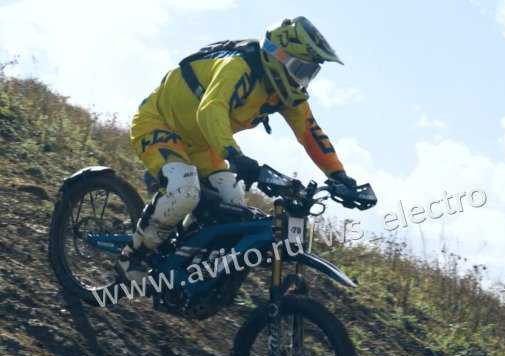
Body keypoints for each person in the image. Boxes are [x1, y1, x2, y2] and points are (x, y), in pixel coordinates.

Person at [117, 16, 358, 282]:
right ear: (278, 55)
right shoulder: (238, 67)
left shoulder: (285, 94)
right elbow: (210, 109)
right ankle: (134, 255)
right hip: (160, 123)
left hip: (203, 143)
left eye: (308, 73)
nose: (301, 79)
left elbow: (311, 133)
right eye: (298, 68)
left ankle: (186, 265)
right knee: (185, 190)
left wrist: (339, 176)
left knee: (232, 204)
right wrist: (234, 155)